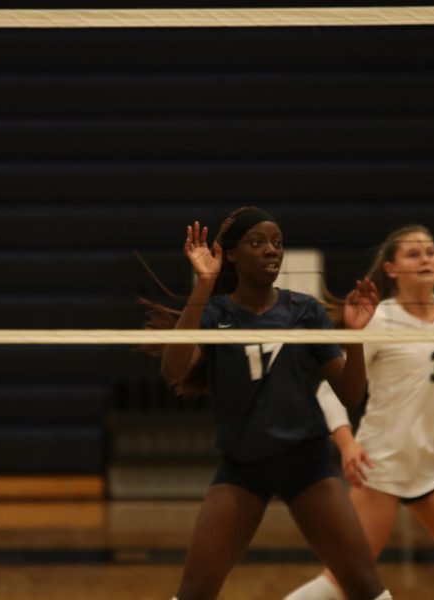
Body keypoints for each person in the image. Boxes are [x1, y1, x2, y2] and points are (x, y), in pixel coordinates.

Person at [146, 207, 392, 600]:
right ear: (232, 254)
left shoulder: (305, 312)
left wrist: (355, 336)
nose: (271, 251)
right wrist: (203, 285)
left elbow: (350, 395)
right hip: (243, 468)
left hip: (307, 465)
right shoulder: (214, 314)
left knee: (367, 588)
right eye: (257, 242)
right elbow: (173, 370)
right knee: (193, 593)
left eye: (277, 243)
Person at [285, 225, 434, 600]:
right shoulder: (380, 320)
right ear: (391, 269)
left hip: (431, 465)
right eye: (414, 254)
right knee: (344, 581)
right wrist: (347, 445)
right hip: (379, 467)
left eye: (431, 252)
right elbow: (328, 390)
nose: (426, 259)